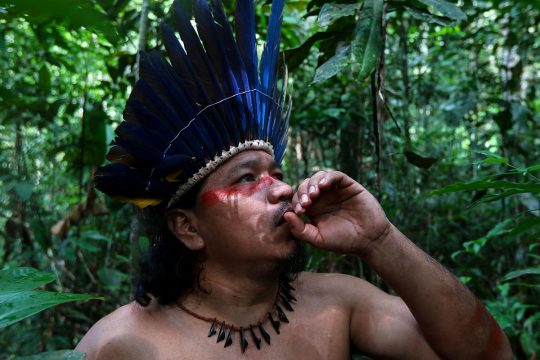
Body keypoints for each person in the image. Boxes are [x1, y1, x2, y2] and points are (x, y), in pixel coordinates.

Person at [75, 0, 513, 359]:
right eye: (247, 178)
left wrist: (378, 240)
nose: (283, 189)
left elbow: (489, 356)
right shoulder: (120, 344)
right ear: (188, 227)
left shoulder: (338, 304)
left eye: (278, 174)